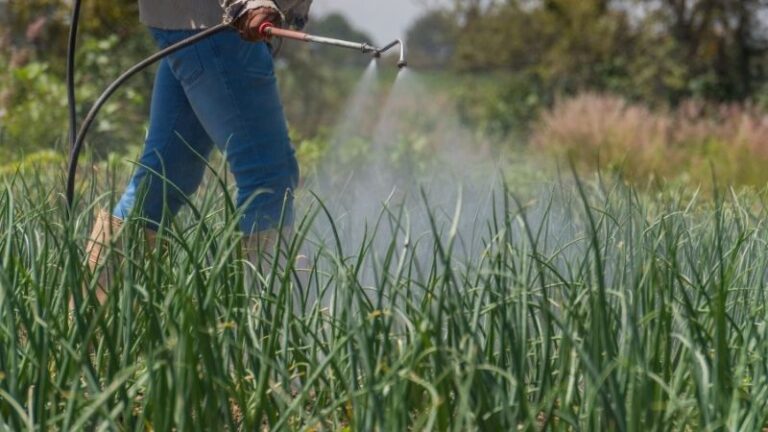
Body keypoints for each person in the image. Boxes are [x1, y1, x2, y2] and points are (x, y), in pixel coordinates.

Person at [85, 0, 313, 296]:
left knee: (161, 182)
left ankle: (90, 326)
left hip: (201, 20)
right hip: (215, 22)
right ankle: (270, 332)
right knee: (269, 179)